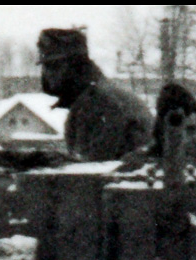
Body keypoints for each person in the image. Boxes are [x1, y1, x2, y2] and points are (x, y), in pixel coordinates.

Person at [37, 27, 152, 161]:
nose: (47, 74)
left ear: (76, 66)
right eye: (45, 66)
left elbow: (89, 173)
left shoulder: (99, 103)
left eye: (54, 66)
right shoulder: (92, 98)